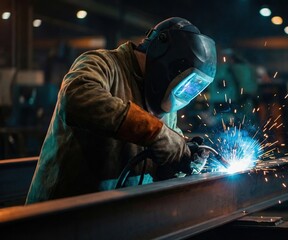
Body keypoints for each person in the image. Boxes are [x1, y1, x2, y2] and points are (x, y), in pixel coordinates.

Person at [26, 17, 217, 204]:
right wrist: (155, 132)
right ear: (164, 58)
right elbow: (77, 98)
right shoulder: (102, 64)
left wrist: (180, 163)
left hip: (117, 217)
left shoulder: (165, 105)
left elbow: (154, 166)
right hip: (61, 217)